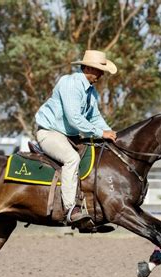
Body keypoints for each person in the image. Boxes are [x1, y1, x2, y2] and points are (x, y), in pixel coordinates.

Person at [34, 50, 118, 226]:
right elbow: (74, 119)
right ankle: (71, 209)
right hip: (50, 133)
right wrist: (101, 133)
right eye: (98, 70)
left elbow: (95, 118)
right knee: (71, 159)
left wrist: (110, 133)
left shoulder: (91, 92)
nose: (101, 74)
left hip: (70, 136)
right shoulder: (71, 84)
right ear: (87, 67)